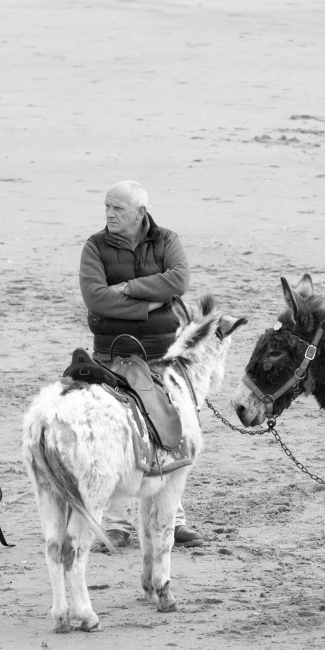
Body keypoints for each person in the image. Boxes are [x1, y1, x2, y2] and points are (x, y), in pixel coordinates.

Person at [79, 180, 200, 548]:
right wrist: (152, 302)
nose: (109, 214)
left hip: (163, 353)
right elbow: (96, 298)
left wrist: (128, 289)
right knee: (117, 436)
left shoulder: (166, 240)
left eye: (117, 208)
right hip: (111, 353)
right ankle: (116, 523)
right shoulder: (94, 247)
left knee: (170, 426)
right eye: (107, 207)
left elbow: (179, 279)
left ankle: (173, 518)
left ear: (140, 213)